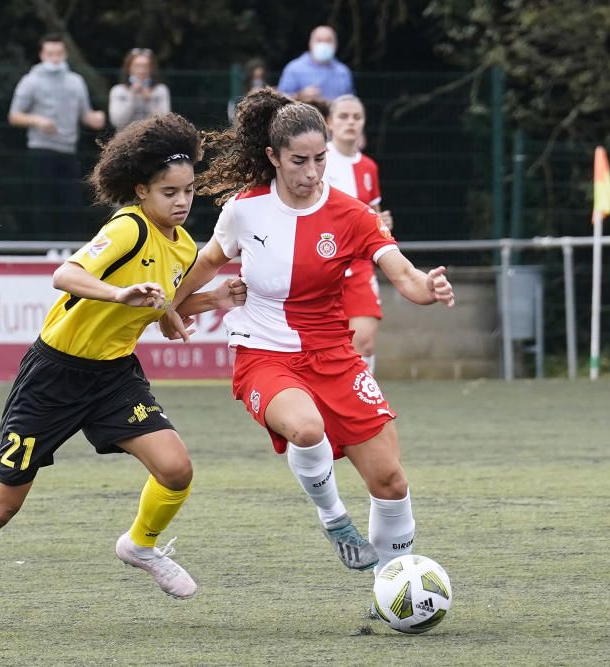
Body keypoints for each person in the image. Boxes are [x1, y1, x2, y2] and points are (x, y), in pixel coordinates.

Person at [0, 113, 247, 630]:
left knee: (176, 469)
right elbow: (65, 273)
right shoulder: (127, 227)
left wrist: (210, 299)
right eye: (169, 192)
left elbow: (165, 310)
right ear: (141, 190)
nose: (181, 201)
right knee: (0, 508)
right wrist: (116, 293)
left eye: (189, 191)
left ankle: (141, 545)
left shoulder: (182, 247)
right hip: (53, 376)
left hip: (112, 377)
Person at [162, 90, 454, 583]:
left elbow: (402, 273)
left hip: (334, 356)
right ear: (273, 157)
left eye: (320, 159)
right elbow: (207, 262)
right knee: (306, 427)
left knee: (390, 480)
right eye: (299, 161)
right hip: (263, 353)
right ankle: (334, 518)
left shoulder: (353, 215)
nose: (312, 172)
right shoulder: (245, 209)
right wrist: (168, 305)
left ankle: (392, 584)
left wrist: (427, 286)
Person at [8, 34, 107, 234]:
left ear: (65, 54)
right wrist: (38, 121)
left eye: (59, 53)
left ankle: (66, 246)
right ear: (42, 55)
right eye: (50, 53)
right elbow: (14, 115)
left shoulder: (76, 82)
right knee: (44, 200)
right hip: (41, 148)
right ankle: (45, 247)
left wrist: (96, 118)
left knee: (71, 200)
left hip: (68, 149)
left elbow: (85, 115)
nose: (55, 58)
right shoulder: (31, 81)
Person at [324, 94, 392, 372]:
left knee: (363, 341)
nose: (350, 122)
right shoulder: (318, 160)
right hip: (324, 262)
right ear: (329, 122)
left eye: (356, 117)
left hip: (360, 265)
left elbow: (375, 214)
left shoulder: (368, 167)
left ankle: (362, 407)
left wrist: (382, 222)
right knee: (326, 345)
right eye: (343, 116)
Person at [277, 26, 354, 105]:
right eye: (319, 40)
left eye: (329, 41)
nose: (324, 44)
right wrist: (299, 96)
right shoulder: (294, 68)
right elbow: (280, 100)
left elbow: (350, 101)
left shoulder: (343, 71)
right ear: (310, 44)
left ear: (336, 45)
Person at [108, 48, 171, 130]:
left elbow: (164, 122)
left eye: (146, 66)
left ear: (152, 69)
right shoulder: (118, 90)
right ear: (129, 68)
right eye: (137, 66)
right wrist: (131, 96)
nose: (141, 71)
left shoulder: (161, 90)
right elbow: (117, 121)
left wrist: (149, 101)